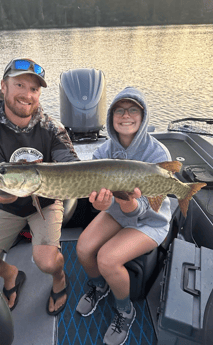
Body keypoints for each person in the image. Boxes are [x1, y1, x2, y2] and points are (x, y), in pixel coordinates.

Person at [0, 58, 79, 315]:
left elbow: (69, 163)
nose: (27, 95)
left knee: (47, 262)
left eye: (34, 89)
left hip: (47, 200)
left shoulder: (53, 128)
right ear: (3, 87)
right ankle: (11, 274)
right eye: (19, 84)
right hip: (7, 207)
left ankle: (60, 279)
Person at [75, 87, 172, 345]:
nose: (126, 115)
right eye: (119, 109)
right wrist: (100, 204)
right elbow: (100, 202)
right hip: (118, 213)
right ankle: (99, 286)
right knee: (83, 248)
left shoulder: (158, 154)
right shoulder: (102, 153)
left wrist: (131, 206)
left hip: (150, 221)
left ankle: (125, 311)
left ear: (142, 116)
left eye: (133, 110)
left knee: (107, 259)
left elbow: (152, 206)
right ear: (111, 116)